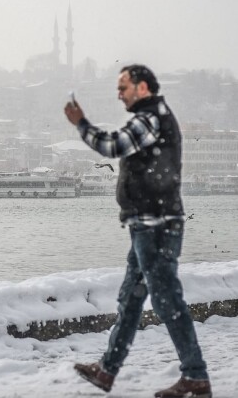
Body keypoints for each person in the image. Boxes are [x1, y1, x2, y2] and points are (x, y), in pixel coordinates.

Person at [63, 64, 212, 398]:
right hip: (146, 225)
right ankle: (106, 371)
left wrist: (81, 123)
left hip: (156, 226)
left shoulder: (150, 118)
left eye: (123, 87)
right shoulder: (153, 115)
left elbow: (113, 146)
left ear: (142, 88)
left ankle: (196, 377)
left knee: (166, 300)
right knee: (131, 300)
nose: (119, 94)